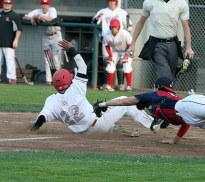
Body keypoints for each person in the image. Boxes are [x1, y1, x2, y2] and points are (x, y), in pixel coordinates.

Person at [31, 39, 159, 134]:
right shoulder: (76, 88)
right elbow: (82, 67)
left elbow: (42, 118)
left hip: (82, 134)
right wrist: (71, 49)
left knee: (97, 109)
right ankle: (151, 124)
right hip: (98, 125)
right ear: (69, 80)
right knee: (125, 100)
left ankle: (111, 128)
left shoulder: (51, 101)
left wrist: (32, 130)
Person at [128, 0, 194, 82]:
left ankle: (161, 92)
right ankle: (162, 90)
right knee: (165, 77)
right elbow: (141, 23)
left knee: (172, 77)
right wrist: (133, 44)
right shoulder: (149, 2)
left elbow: (186, 27)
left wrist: (188, 47)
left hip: (173, 44)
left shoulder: (181, 3)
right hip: (156, 45)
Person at [92, 0, 132, 91]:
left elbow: (129, 26)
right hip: (108, 40)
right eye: (110, 1)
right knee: (108, 62)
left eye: (113, 1)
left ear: (116, 2)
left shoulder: (122, 12)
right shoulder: (103, 11)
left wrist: (123, 36)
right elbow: (94, 22)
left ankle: (121, 84)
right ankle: (109, 84)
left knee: (122, 64)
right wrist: (98, 17)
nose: (111, 2)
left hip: (120, 39)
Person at [23, 0, 62, 85]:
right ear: (41, 4)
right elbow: (24, 17)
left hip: (56, 35)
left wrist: (41, 17)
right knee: (48, 59)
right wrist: (33, 18)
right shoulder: (37, 11)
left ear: (49, 4)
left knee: (56, 59)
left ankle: (58, 80)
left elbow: (52, 19)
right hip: (46, 36)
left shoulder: (52, 10)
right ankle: (49, 80)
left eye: (46, 4)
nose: (44, 5)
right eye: (43, 4)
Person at [102, 19, 133, 92]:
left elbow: (130, 46)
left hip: (126, 50)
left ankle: (128, 86)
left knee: (127, 66)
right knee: (110, 65)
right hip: (115, 51)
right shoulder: (107, 34)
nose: (113, 29)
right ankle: (110, 86)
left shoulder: (125, 34)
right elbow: (106, 46)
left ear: (119, 27)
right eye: (112, 27)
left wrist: (126, 56)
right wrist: (110, 55)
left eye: (115, 27)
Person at [0, 0, 22, 84]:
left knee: (10, 60)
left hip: (9, 42)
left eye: (8, 3)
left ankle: (12, 78)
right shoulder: (0, 14)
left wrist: (16, 40)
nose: (6, 5)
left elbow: (19, 29)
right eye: (5, 3)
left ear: (11, 4)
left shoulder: (14, 15)